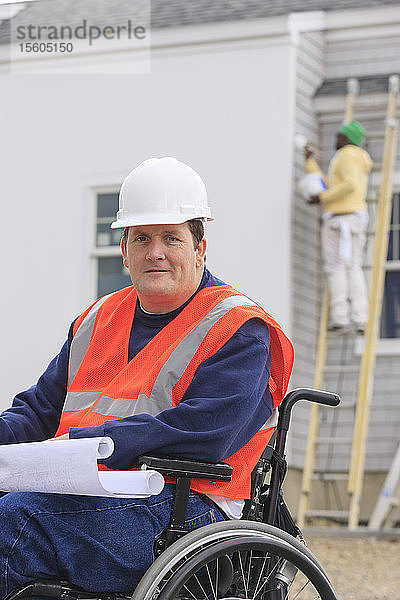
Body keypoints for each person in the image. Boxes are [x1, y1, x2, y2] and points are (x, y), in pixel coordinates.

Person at [0, 157, 294, 596]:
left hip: (188, 506)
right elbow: (38, 411)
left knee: (17, 523)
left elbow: (203, 434)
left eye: (170, 238)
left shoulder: (239, 329)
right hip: (91, 490)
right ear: (124, 250)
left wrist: (94, 444)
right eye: (141, 238)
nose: (155, 252)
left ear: (200, 248)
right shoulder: (97, 319)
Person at [305, 121, 373, 333]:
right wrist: (310, 163)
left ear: (346, 138)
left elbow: (348, 185)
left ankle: (342, 317)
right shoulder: (356, 157)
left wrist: (322, 197)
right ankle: (359, 317)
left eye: (339, 135)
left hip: (340, 218)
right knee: (351, 266)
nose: (336, 139)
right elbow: (330, 183)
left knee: (338, 267)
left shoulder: (347, 155)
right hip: (352, 217)